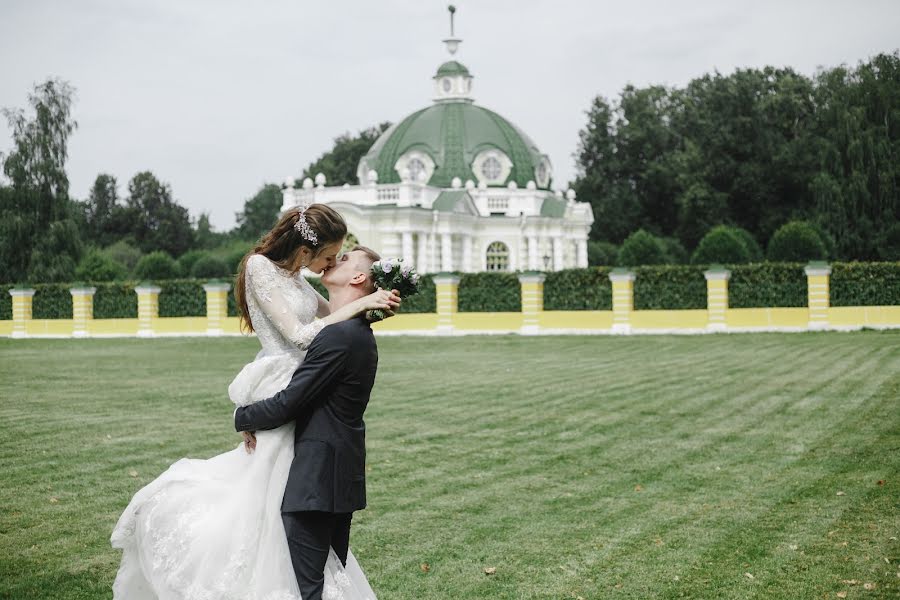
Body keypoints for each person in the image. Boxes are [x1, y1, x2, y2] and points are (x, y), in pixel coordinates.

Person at [110, 204, 398, 599]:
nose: (332, 261)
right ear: (305, 248)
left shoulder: (298, 279)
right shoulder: (261, 268)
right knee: (265, 496)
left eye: (340, 258)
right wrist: (359, 304)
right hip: (285, 379)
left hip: (302, 387)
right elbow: (300, 335)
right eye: (331, 254)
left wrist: (370, 305)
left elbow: (336, 317)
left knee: (280, 498)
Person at [235, 245, 384, 600]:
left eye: (344, 259)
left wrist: (242, 414)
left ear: (359, 278)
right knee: (328, 583)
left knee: (307, 588)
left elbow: (290, 403)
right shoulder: (356, 332)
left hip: (316, 482)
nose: (333, 261)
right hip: (337, 477)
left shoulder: (338, 337)